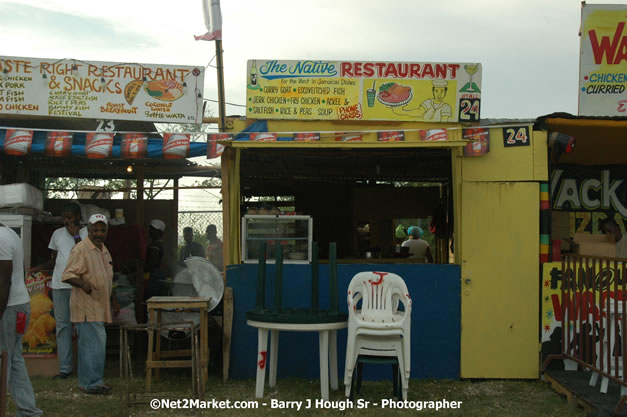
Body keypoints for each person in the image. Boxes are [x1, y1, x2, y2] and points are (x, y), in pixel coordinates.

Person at [62, 214, 119, 395]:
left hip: (99, 306)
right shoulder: (81, 249)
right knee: (91, 346)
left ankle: (93, 381)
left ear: (107, 232)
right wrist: (83, 284)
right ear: (88, 230)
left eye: (102, 230)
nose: (99, 233)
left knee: (96, 344)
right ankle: (90, 383)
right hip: (87, 305)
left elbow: (107, 278)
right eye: (95, 230)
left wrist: (113, 298)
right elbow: (68, 274)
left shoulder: (103, 249)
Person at [30, 202, 87, 379]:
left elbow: (85, 255)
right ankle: (65, 368)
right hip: (59, 286)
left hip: (78, 285)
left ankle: (85, 367)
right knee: (63, 327)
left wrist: (75, 235)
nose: (67, 221)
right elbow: (53, 260)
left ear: (78, 216)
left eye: (70, 217)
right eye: (65, 218)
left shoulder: (86, 233)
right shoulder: (57, 234)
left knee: (82, 326)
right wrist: (37, 268)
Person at [0, 223, 43, 416]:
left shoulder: (1, 238)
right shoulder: (9, 232)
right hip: (19, 304)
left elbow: (4, 281)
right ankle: (28, 411)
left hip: (9, 306)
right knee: (13, 357)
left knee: (3, 359)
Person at [145, 219, 166, 300]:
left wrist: (138, 268)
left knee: (152, 300)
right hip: (157, 276)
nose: (150, 231)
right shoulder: (159, 244)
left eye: (154, 230)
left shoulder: (155, 246)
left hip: (154, 278)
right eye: (150, 229)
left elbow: (151, 265)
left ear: (160, 232)